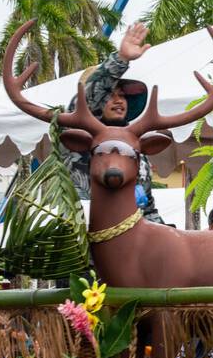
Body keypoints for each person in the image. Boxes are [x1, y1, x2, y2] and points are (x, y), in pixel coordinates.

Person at [63, 21, 165, 225]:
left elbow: (147, 208)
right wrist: (122, 59)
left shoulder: (135, 150)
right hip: (81, 244)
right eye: (110, 95)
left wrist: (170, 239)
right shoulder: (77, 135)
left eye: (123, 95)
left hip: (129, 246)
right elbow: (86, 100)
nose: (119, 100)